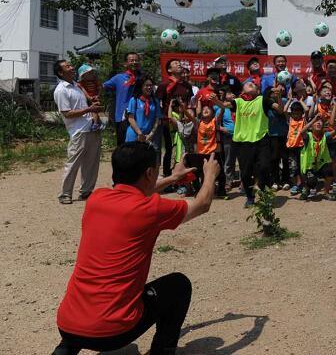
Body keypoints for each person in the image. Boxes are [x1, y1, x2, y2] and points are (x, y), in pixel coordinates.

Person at [51, 142, 218, 355]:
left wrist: (172, 179)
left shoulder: (96, 199)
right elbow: (202, 203)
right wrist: (210, 173)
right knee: (178, 285)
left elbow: (135, 194)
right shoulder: (152, 209)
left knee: (89, 307)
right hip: (112, 333)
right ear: (149, 173)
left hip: (67, 324)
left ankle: (65, 349)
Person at [54, 60, 104, 205]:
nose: (72, 67)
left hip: (91, 127)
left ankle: (86, 191)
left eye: (71, 65)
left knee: (91, 162)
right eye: (68, 66)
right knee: (73, 163)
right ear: (60, 72)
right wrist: (89, 110)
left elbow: (86, 103)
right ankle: (65, 194)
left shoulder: (76, 85)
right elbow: (67, 113)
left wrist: (92, 102)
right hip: (78, 132)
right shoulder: (61, 90)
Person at [231, 80, 280, 207]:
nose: (252, 84)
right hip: (243, 142)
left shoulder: (262, 100)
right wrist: (216, 101)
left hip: (261, 139)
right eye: (249, 84)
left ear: (258, 91)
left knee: (264, 166)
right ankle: (250, 197)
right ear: (242, 91)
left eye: (254, 85)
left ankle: (263, 192)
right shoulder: (238, 102)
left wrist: (279, 96)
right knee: (245, 172)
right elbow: (224, 105)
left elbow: (280, 109)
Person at [156, 59, 193, 177]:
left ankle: (184, 176)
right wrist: (165, 118)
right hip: (169, 122)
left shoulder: (187, 85)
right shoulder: (164, 85)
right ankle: (168, 175)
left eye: (180, 63)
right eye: (175, 64)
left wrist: (187, 115)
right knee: (170, 148)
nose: (179, 64)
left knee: (184, 148)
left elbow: (189, 102)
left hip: (184, 121)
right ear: (169, 70)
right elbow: (158, 103)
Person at [103, 52, 142, 145]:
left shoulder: (143, 78)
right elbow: (103, 86)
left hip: (140, 115)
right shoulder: (118, 78)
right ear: (125, 63)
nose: (135, 62)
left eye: (137, 60)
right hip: (123, 116)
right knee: (123, 145)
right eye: (132, 60)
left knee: (139, 145)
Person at [299, 114, 336, 200]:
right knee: (311, 181)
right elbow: (302, 132)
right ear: (311, 126)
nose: (318, 123)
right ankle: (306, 190)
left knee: (329, 171)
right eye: (316, 122)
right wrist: (313, 119)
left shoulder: (325, 136)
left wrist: (333, 110)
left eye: (320, 122)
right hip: (309, 166)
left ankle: (326, 193)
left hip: (321, 163)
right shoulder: (308, 136)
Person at [125, 76, 161, 147]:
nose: (149, 88)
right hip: (134, 136)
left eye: (151, 85)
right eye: (146, 85)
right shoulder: (134, 100)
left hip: (148, 137)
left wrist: (151, 134)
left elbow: (157, 119)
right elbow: (131, 118)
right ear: (141, 87)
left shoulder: (155, 101)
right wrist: (140, 134)